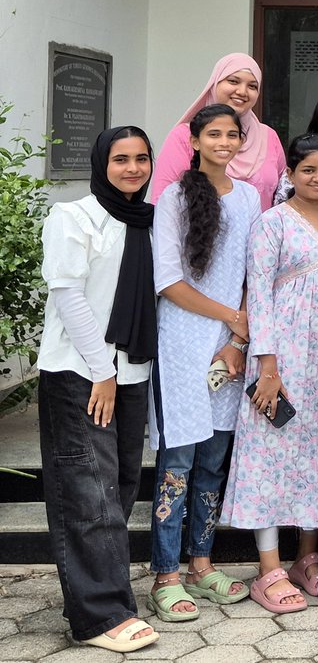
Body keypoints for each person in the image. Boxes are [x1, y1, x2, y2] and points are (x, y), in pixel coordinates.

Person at [221, 134, 318, 613]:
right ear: (290, 175)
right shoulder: (271, 223)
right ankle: (268, 569)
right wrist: (268, 366)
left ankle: (307, 557)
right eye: (308, 170)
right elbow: (257, 294)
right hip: (281, 355)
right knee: (270, 454)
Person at [38, 126, 160, 653]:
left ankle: (103, 593)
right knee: (88, 493)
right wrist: (101, 371)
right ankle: (98, 616)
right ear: (100, 163)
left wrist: (123, 372)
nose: (132, 168)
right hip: (81, 373)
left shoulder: (145, 219)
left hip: (131, 372)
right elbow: (69, 294)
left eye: (141, 158)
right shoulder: (74, 217)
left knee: (121, 486)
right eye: (121, 159)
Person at [148, 104, 258, 621]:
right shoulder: (173, 197)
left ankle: (202, 564)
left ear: (242, 141)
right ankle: (165, 574)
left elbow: (253, 272)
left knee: (213, 461)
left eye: (232, 134)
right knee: (177, 463)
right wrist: (232, 318)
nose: (223, 141)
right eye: (213, 133)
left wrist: (237, 338)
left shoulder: (252, 197)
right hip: (182, 341)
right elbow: (169, 282)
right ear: (194, 139)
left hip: (228, 346)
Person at [151, 53, 286, 210]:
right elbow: (162, 204)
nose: (242, 91)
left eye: (252, 86)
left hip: (262, 233)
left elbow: (283, 197)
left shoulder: (268, 136)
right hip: (196, 233)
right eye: (233, 81)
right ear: (215, 83)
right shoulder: (185, 136)